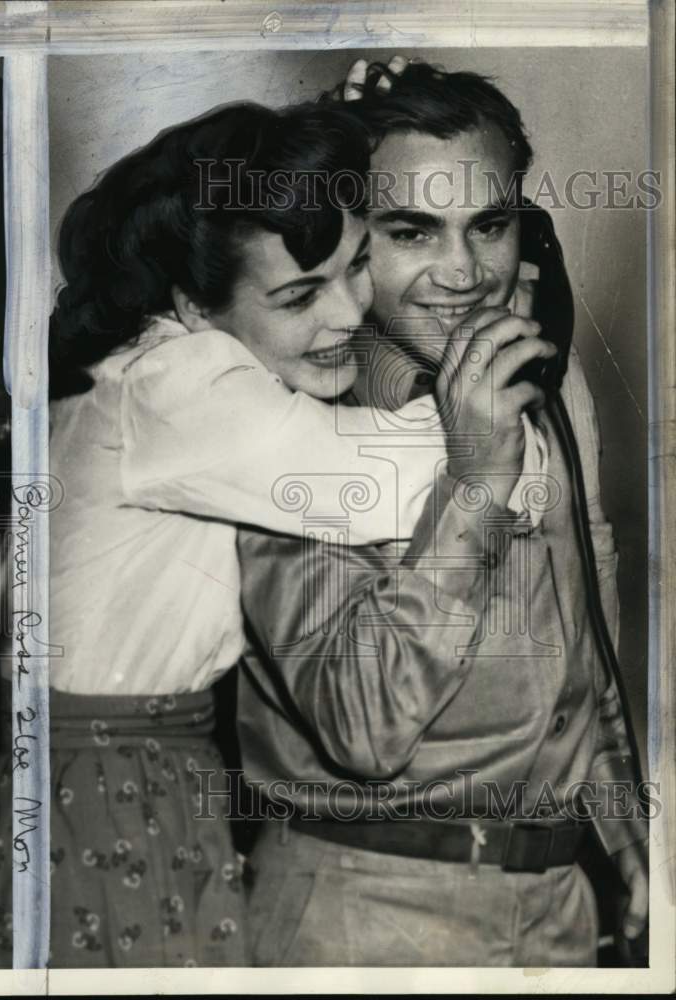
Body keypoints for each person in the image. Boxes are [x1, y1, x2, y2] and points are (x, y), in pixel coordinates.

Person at [0, 98, 469, 969]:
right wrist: (501, 396)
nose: (347, 313)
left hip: (104, 781)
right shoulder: (177, 381)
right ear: (190, 304)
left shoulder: (110, 386)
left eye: (356, 267)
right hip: (110, 793)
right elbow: (372, 481)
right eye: (301, 293)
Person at [234, 60, 649, 967]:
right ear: (345, 239)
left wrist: (629, 839)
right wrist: (475, 481)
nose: (463, 275)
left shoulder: (546, 386)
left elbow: (587, 652)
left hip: (560, 914)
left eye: (489, 225)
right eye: (412, 230)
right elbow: (364, 726)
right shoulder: (283, 418)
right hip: (366, 915)